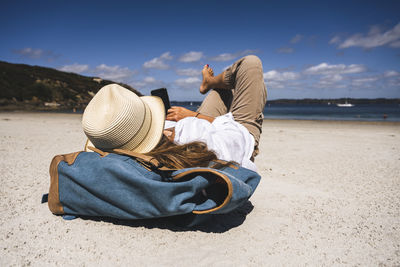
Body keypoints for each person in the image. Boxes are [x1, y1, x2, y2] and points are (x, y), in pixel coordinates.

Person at [82, 55, 267, 172]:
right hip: (237, 135)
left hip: (190, 128)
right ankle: (210, 81)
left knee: (223, 92)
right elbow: (230, 131)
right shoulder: (181, 144)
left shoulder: (123, 140)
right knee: (250, 65)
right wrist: (192, 116)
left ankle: (210, 83)